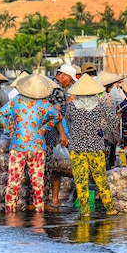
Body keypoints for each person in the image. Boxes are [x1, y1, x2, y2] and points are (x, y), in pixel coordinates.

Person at [0, 74, 62, 213]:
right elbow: (58, 116)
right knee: (37, 181)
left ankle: (10, 210)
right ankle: (39, 210)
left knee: (14, 180)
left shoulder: (15, 101)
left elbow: (0, 113)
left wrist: (9, 128)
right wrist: (45, 128)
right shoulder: (44, 104)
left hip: (18, 145)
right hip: (37, 146)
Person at [65, 74, 120, 217]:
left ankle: (85, 211)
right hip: (96, 146)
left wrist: (74, 134)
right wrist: (103, 132)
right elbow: (114, 120)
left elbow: (68, 122)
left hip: (76, 147)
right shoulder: (99, 104)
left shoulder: (71, 106)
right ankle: (110, 208)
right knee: (100, 178)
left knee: (81, 180)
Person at [43, 64, 73, 210]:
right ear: (64, 76)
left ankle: (42, 200)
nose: (70, 84)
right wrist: (62, 133)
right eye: (70, 80)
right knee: (50, 167)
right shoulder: (59, 90)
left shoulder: (45, 84)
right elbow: (57, 116)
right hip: (50, 133)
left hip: (37, 132)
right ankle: (45, 201)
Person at [95, 71, 123, 169]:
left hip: (95, 134)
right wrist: (117, 137)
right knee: (106, 164)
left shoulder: (95, 96)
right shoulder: (108, 98)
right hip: (106, 134)